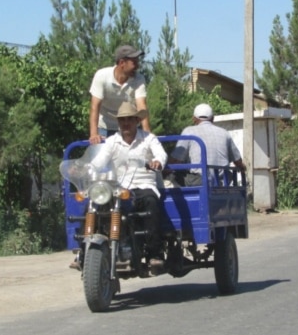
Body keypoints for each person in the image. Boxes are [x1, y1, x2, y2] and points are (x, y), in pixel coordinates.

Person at [88, 101, 166, 267]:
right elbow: (99, 161)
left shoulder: (148, 138)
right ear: (118, 122)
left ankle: (155, 253)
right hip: (120, 189)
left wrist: (157, 162)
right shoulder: (112, 142)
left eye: (130, 119)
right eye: (122, 120)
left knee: (151, 203)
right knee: (94, 204)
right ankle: (85, 250)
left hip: (144, 186)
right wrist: (86, 168)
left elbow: (161, 154)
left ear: (137, 121)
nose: (126, 123)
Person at [167, 103, 245, 186]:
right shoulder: (225, 133)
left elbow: (175, 161)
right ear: (213, 119)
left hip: (199, 181)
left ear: (194, 119)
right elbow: (238, 161)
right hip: (222, 181)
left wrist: (164, 171)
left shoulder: (189, 131)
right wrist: (243, 168)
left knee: (174, 175)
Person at [88, 45, 150, 145]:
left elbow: (141, 106)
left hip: (130, 127)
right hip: (105, 128)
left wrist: (147, 134)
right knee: (103, 159)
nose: (138, 66)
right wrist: (94, 134)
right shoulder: (102, 76)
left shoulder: (139, 78)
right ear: (122, 63)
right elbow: (95, 106)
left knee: (133, 158)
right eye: (134, 62)